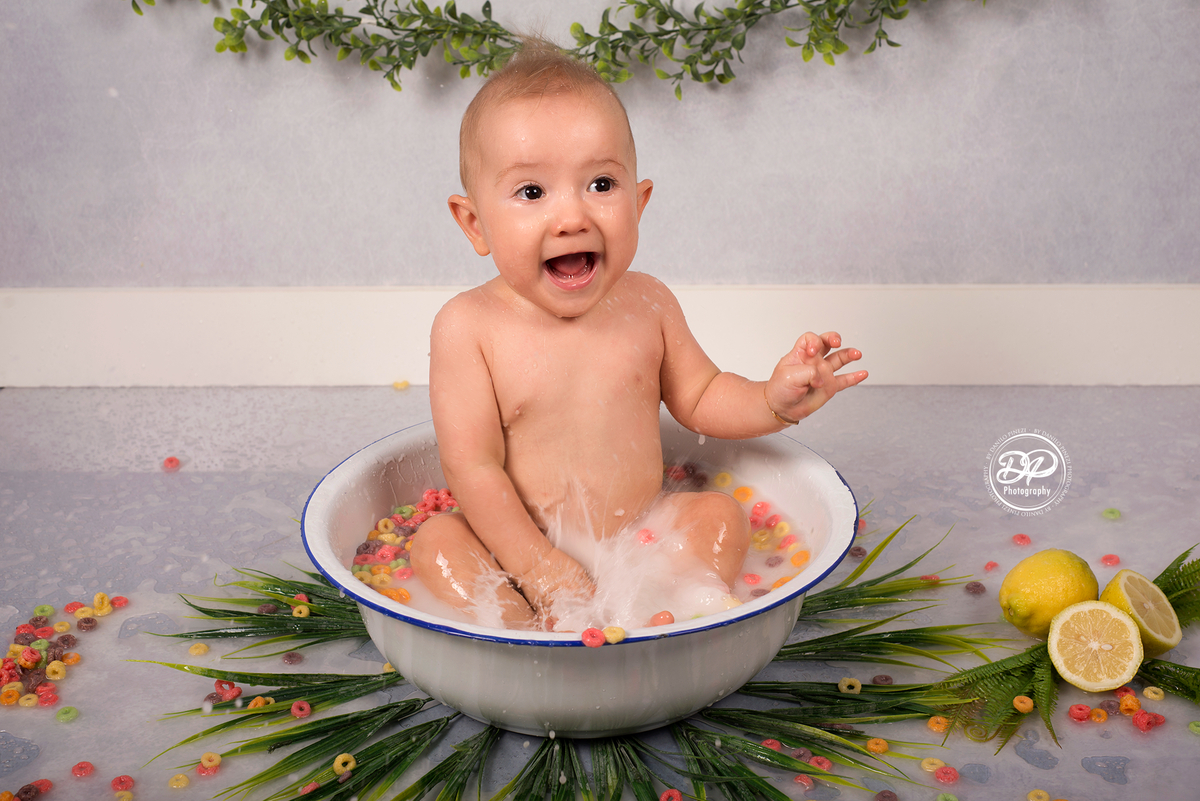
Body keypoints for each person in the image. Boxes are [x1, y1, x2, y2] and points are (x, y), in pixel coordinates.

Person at [410, 38, 867, 631]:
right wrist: (539, 567)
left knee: (720, 517)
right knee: (437, 544)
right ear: (475, 224)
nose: (572, 217)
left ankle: (675, 605)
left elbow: (701, 396)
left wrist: (772, 400)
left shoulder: (648, 304)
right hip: (513, 549)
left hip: (641, 538)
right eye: (532, 192)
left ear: (639, 202)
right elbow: (473, 469)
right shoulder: (468, 327)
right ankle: (517, 630)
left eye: (601, 185)